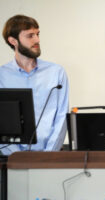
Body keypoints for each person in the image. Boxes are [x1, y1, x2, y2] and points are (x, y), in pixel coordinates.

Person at [0, 15, 69, 155]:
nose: (37, 40)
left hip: (50, 156)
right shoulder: (2, 76)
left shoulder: (56, 72)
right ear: (13, 41)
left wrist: (48, 154)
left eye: (37, 34)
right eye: (30, 36)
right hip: (11, 160)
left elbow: (62, 117)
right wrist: (15, 155)